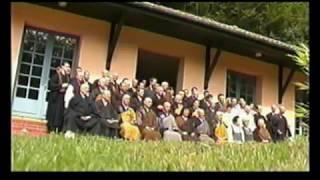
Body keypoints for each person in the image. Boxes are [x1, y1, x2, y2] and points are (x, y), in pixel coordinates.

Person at [46, 62, 70, 133]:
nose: (68, 68)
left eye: (69, 67)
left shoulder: (67, 77)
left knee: (59, 115)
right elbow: (50, 85)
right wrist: (61, 86)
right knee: (53, 114)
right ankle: (51, 129)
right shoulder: (56, 76)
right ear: (62, 67)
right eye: (66, 66)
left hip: (62, 98)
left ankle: (58, 130)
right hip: (55, 98)